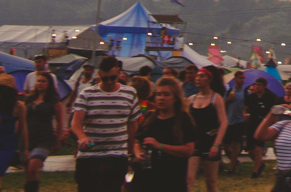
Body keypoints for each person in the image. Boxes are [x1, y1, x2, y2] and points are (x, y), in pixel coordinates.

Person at [71, 56, 137, 192]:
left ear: (118, 73)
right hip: (90, 154)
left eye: (112, 78)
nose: (108, 82)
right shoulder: (87, 94)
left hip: (116, 153)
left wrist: (132, 150)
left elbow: (133, 126)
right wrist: (82, 137)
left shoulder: (130, 94)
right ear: (99, 75)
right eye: (104, 78)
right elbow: (76, 122)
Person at [132, 79, 197, 192]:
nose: (161, 98)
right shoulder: (149, 117)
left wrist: (160, 146)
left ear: (175, 98)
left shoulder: (183, 119)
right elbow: (137, 141)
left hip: (172, 178)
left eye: (166, 94)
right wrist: (138, 153)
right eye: (158, 94)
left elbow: (188, 150)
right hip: (146, 178)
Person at [186, 68, 227, 192]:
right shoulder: (191, 99)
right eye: (197, 76)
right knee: (188, 179)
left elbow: (224, 122)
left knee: (210, 182)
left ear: (209, 79)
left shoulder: (216, 98)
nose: (198, 78)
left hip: (210, 142)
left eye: (202, 76)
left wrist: (216, 144)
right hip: (194, 142)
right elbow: (185, 122)